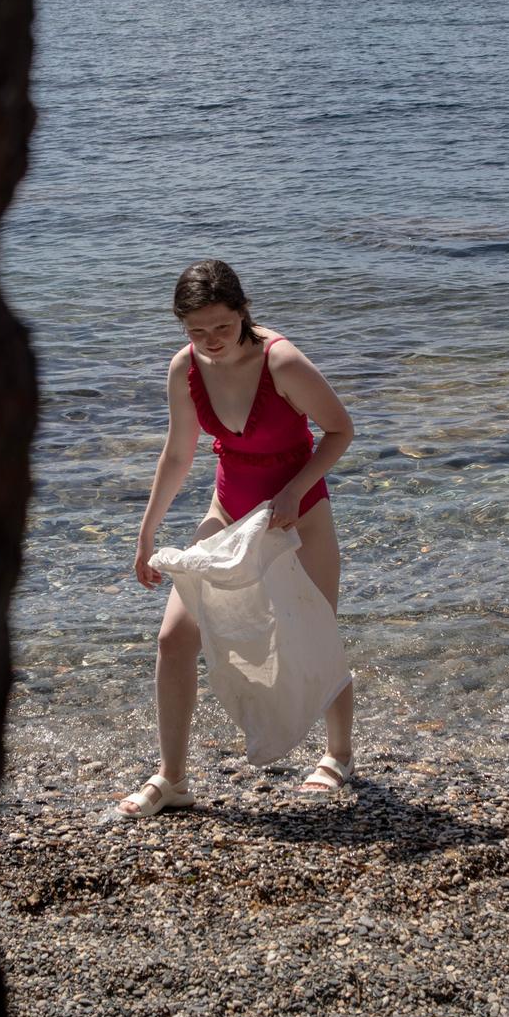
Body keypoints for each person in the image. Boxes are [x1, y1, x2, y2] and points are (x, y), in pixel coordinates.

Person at [119, 260, 358, 817]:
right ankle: (172, 778)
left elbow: (340, 430)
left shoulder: (282, 361)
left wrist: (296, 492)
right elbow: (178, 454)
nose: (210, 342)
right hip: (228, 512)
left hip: (300, 514)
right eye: (196, 331)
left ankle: (339, 756)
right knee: (175, 637)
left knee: (316, 632)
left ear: (242, 311)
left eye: (221, 328)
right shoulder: (185, 369)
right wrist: (147, 530)